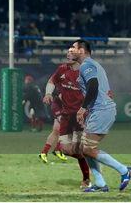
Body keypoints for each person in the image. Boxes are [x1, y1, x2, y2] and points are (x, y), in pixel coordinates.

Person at [69, 40, 131, 192]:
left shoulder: (87, 65)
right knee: (85, 148)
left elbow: (93, 85)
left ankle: (124, 170)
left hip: (102, 110)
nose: (70, 50)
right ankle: (100, 183)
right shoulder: (91, 65)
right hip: (99, 109)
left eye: (73, 47)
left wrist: (83, 108)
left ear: (82, 51)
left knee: (88, 148)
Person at [43, 47, 91, 188]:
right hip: (66, 116)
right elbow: (52, 81)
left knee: (78, 148)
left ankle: (87, 179)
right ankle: (92, 158)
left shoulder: (85, 72)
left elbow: (95, 89)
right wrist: (48, 93)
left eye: (71, 52)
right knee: (64, 149)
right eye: (67, 53)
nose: (68, 55)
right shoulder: (62, 69)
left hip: (80, 116)